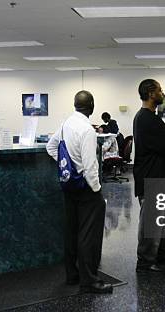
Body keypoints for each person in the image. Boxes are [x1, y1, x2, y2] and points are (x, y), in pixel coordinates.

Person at [46, 91, 112, 294]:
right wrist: (97, 189)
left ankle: (72, 275)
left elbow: (51, 147)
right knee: (88, 236)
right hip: (86, 188)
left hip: (69, 186)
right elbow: (91, 165)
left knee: (72, 231)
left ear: (75, 105)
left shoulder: (66, 124)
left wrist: (67, 166)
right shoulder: (87, 130)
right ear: (91, 106)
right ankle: (90, 281)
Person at [134, 79, 165, 273]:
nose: (162, 93)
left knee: (162, 219)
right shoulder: (146, 118)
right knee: (151, 220)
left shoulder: (151, 117)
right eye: (160, 90)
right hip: (151, 177)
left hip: (158, 176)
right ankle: (145, 260)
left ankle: (161, 253)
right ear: (150, 93)